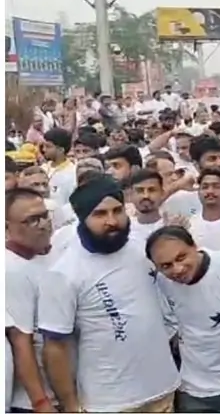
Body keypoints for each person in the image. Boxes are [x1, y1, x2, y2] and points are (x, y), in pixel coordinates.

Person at [38, 174, 180, 412]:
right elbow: (55, 347)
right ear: (82, 218)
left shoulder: (142, 248)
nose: (112, 221)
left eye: (117, 211)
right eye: (100, 214)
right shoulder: (64, 272)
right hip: (109, 402)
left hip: (162, 390)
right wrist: (71, 406)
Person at [146, 226, 220, 413]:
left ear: (195, 246)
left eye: (181, 257)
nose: (177, 269)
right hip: (192, 388)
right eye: (166, 265)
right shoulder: (163, 282)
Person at [6, 188, 56, 412]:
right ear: (8, 227)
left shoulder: (50, 255)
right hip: (34, 402)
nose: (43, 224)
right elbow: (21, 340)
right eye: (32, 220)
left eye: (44, 216)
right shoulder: (10, 270)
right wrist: (41, 402)